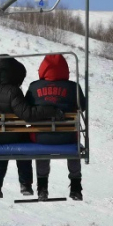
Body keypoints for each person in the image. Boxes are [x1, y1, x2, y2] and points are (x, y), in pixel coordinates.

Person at [0, 56, 61, 198]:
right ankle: (25, 184)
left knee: (0, 150)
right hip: (13, 135)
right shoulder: (12, 91)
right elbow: (27, 114)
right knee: (24, 143)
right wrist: (50, 110)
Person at [25, 54, 87, 201]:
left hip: (41, 137)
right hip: (67, 137)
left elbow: (26, 110)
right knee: (73, 145)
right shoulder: (73, 87)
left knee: (42, 145)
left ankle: (42, 188)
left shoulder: (34, 87)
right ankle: (76, 188)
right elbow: (82, 107)